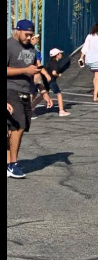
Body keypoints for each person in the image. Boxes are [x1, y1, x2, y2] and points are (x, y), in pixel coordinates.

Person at [7, 19, 39, 178]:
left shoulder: (32, 49)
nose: (28, 37)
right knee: (18, 124)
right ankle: (13, 165)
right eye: (26, 34)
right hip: (10, 89)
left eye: (31, 35)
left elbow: (33, 71)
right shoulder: (9, 45)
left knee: (20, 127)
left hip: (26, 92)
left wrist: (41, 90)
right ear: (17, 30)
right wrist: (25, 69)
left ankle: (8, 163)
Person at [80, 20, 98, 102]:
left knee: (95, 77)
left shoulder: (89, 36)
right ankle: (95, 96)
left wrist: (81, 58)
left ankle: (95, 93)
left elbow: (85, 48)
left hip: (89, 60)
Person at [39, 48, 71, 116]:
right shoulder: (55, 63)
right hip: (51, 80)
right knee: (59, 94)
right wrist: (58, 75)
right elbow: (54, 72)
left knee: (44, 94)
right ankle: (61, 111)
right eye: (59, 53)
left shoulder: (49, 62)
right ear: (57, 55)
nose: (61, 54)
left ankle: (32, 107)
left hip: (45, 80)